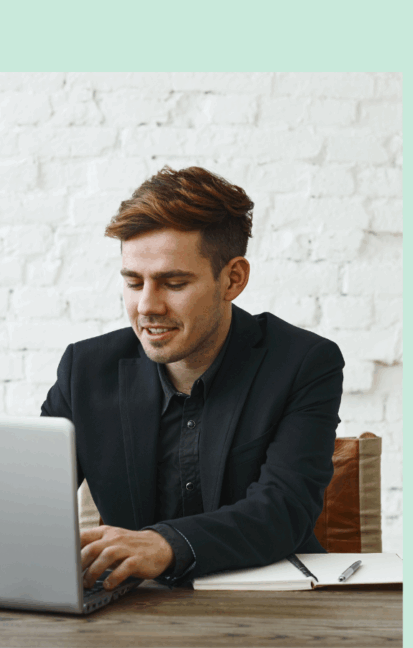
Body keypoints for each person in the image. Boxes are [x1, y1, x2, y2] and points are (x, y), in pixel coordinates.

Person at [41, 166, 344, 590]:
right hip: (135, 610)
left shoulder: (305, 362)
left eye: (174, 283)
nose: (147, 306)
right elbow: (28, 502)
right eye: (133, 282)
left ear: (232, 279)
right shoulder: (85, 370)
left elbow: (283, 511)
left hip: (274, 606)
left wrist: (164, 545)